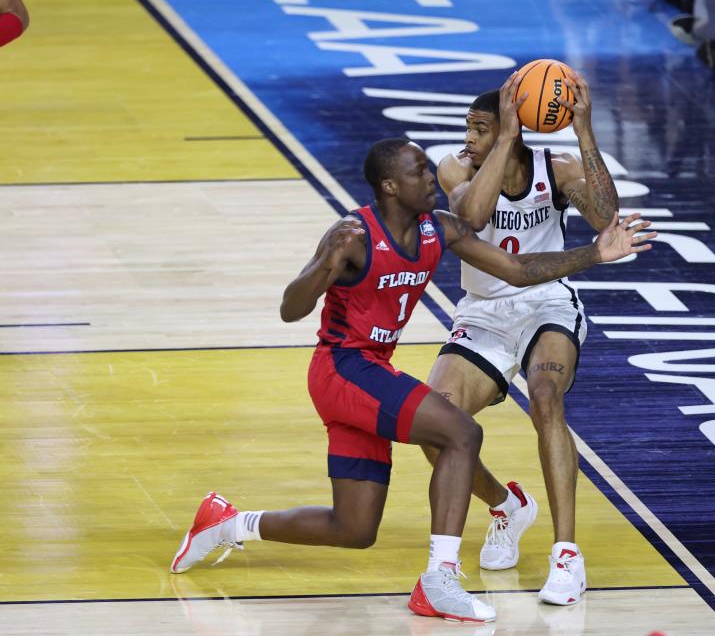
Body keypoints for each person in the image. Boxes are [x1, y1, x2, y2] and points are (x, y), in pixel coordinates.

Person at [169, 135, 655, 623]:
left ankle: (228, 524)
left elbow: (518, 270)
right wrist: (325, 267)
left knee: (354, 527)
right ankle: (438, 582)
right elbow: (289, 309)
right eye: (418, 172)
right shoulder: (352, 236)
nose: (430, 179)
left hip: (368, 373)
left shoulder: (438, 229)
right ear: (389, 186)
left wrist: (595, 254)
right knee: (461, 431)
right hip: (343, 369)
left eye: (428, 169)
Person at [421, 69, 625, 606]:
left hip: (547, 300)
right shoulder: (452, 167)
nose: (469, 138)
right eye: (468, 127)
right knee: (432, 421)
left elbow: (606, 218)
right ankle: (507, 506)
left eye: (481, 128)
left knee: (545, 397)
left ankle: (566, 556)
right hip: (483, 310)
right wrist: (504, 140)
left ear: (516, 124)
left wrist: (584, 131)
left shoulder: (555, 169)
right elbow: (470, 215)